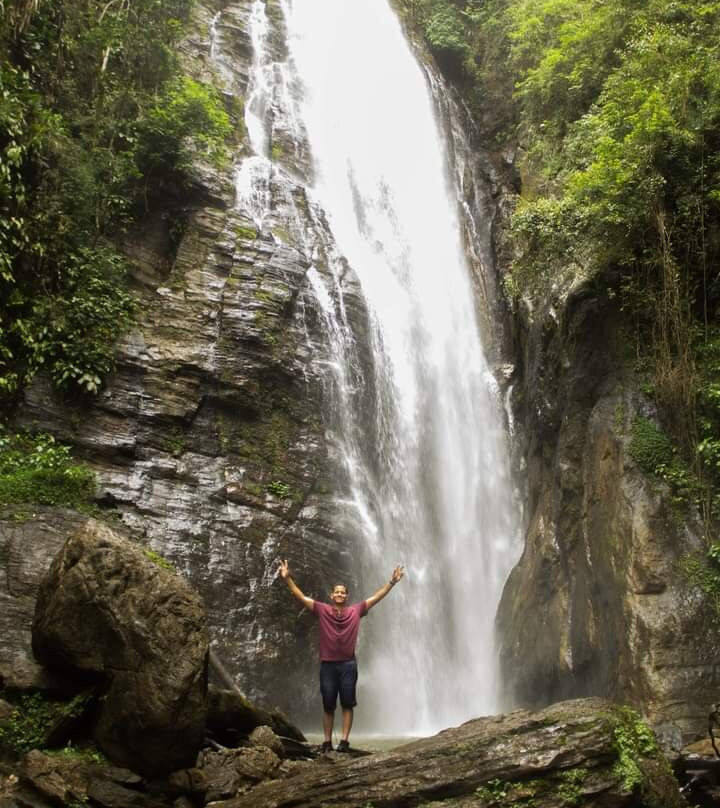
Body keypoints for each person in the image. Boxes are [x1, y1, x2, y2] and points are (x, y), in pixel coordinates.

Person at [278, 559, 405, 753]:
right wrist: (287, 579)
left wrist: (392, 582)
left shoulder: (356, 611)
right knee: (328, 705)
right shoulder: (322, 610)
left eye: (342, 592)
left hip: (348, 664)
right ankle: (327, 742)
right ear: (331, 595)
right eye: (336, 591)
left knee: (347, 703)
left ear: (346, 596)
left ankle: (344, 742)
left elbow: (376, 597)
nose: (339, 594)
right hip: (328, 665)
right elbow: (300, 596)